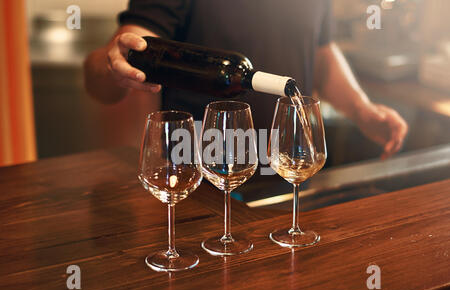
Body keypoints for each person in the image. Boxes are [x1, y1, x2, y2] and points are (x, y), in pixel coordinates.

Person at [84, 0, 408, 159]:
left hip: (288, 170)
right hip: (203, 179)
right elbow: (128, 49)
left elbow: (321, 52)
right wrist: (113, 63)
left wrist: (362, 109)